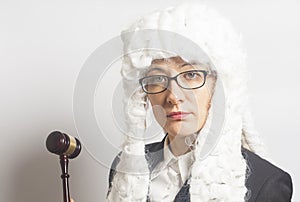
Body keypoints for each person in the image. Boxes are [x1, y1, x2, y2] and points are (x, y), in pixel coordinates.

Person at [106, 2, 293, 202]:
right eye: (157, 79)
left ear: (219, 87)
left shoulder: (266, 184)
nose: (172, 96)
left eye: (191, 75)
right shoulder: (125, 167)